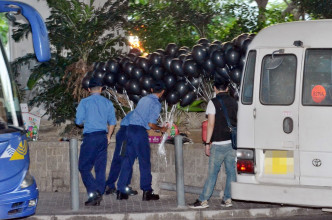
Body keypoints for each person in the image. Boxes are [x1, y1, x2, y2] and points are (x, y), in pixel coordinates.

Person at [188, 80, 238, 209]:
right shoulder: (234, 102)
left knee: (212, 173)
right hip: (232, 143)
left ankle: (203, 200)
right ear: (227, 88)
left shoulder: (213, 102)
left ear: (215, 88)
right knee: (231, 172)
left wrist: (207, 143)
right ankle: (228, 199)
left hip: (218, 143)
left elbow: (210, 124)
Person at [116, 82, 168, 201]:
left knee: (127, 160)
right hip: (139, 132)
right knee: (144, 161)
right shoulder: (156, 103)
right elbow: (150, 124)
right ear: (162, 92)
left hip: (129, 130)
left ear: (151, 89)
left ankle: (121, 190)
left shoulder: (143, 99)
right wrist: (162, 129)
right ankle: (146, 191)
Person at [75, 77, 116, 206]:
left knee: (83, 167)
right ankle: (98, 194)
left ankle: (94, 192)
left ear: (88, 89)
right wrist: (109, 136)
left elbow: (78, 122)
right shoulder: (107, 103)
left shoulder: (84, 102)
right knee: (100, 168)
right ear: (101, 89)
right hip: (102, 137)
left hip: (90, 138)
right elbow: (112, 122)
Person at [105, 111, 138, 196]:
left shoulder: (137, 110)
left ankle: (111, 185)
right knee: (126, 160)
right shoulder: (144, 111)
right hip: (127, 134)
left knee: (119, 159)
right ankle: (122, 187)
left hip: (124, 133)